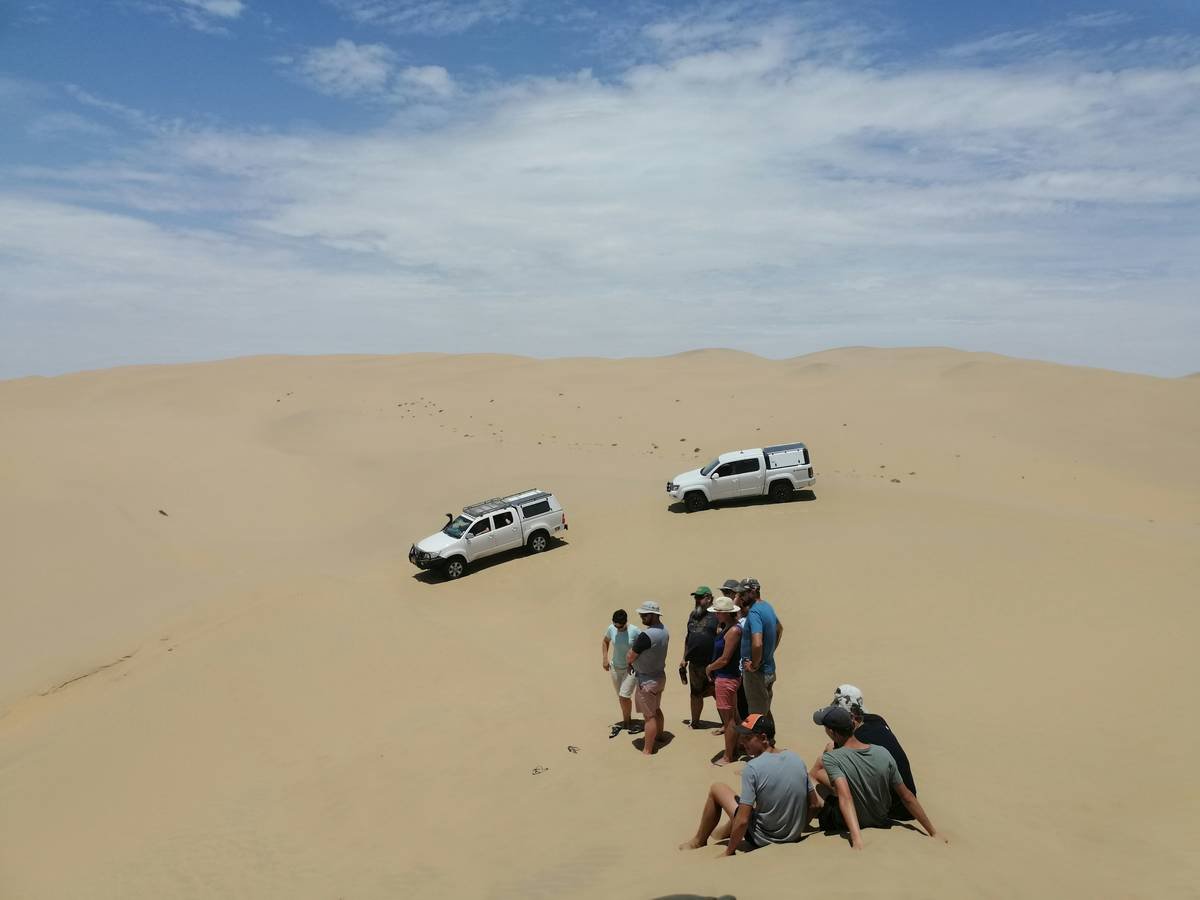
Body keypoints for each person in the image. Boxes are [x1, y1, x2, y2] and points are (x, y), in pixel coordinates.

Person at [678, 714, 816, 855]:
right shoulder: (796, 759)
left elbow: (743, 820)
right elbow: (815, 805)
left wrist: (728, 852)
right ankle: (720, 833)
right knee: (749, 802)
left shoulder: (753, 768)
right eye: (742, 737)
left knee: (717, 788)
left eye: (748, 738)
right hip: (792, 835)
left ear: (763, 738)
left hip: (762, 839)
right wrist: (797, 829)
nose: (742, 742)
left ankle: (699, 841)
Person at [811, 706, 939, 849]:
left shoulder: (831, 758)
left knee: (812, 781)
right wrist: (933, 832)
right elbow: (907, 796)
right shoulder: (883, 753)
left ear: (831, 732)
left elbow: (846, 798)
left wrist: (857, 840)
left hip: (849, 822)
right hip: (881, 819)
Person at [808, 685, 917, 819]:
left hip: (889, 809)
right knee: (830, 750)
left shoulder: (855, 739)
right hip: (908, 802)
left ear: (850, 717)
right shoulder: (877, 719)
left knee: (819, 767)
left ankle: (816, 807)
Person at [627, 600, 670, 756]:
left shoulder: (646, 635)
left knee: (649, 716)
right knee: (656, 709)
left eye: (644, 615)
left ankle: (648, 749)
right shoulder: (665, 630)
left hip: (647, 681)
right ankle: (660, 736)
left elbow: (631, 655)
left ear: (653, 615)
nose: (641, 617)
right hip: (660, 677)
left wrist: (629, 662)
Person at [704, 596, 742, 765]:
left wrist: (710, 667)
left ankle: (729, 756)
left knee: (729, 720)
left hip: (727, 678)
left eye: (719, 612)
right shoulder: (729, 627)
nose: (716, 615)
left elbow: (725, 659)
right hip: (726, 677)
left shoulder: (733, 631)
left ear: (726, 613)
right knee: (733, 716)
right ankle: (738, 746)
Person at [738, 579, 783, 716]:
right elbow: (779, 629)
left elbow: (757, 643)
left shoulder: (754, 613)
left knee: (756, 716)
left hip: (757, 674)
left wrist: (754, 665)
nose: (740, 597)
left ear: (752, 592)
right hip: (769, 669)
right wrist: (769, 652)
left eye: (743, 594)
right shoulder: (767, 607)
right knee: (765, 709)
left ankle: (760, 737)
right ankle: (769, 737)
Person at [679, 586, 718, 729]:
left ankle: (726, 724)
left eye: (700, 597)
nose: (697, 600)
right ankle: (695, 722)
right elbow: (688, 637)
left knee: (717, 694)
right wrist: (684, 658)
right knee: (695, 694)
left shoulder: (717, 615)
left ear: (709, 598)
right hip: (694, 664)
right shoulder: (693, 615)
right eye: (695, 597)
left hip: (712, 664)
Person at [601, 609, 641, 737]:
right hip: (615, 668)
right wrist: (605, 658)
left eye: (620, 626)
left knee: (624, 696)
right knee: (621, 697)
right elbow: (605, 641)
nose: (617, 628)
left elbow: (644, 646)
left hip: (631, 669)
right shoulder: (611, 628)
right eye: (615, 625)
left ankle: (627, 723)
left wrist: (639, 662)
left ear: (625, 623)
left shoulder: (635, 631)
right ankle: (627, 720)